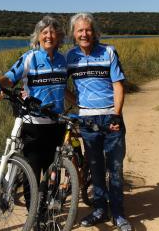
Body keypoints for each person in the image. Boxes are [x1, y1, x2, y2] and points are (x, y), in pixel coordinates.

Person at [0, 16, 67, 207]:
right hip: (34, 125)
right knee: (33, 172)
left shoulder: (63, 60)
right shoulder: (30, 57)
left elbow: (64, 89)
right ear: (38, 36)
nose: (49, 35)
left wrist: (80, 107)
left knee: (52, 171)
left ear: (59, 37)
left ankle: (48, 209)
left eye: (53, 32)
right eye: (44, 32)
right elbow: (9, 77)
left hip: (56, 124)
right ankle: (34, 214)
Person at [66, 13, 132, 231]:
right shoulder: (70, 57)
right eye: (80, 30)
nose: (84, 34)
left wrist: (116, 113)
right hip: (87, 120)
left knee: (115, 168)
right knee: (95, 167)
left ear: (94, 32)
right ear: (73, 34)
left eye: (88, 30)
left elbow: (118, 85)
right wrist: (77, 103)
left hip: (111, 117)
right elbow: (59, 82)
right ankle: (99, 209)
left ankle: (118, 213)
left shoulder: (108, 52)